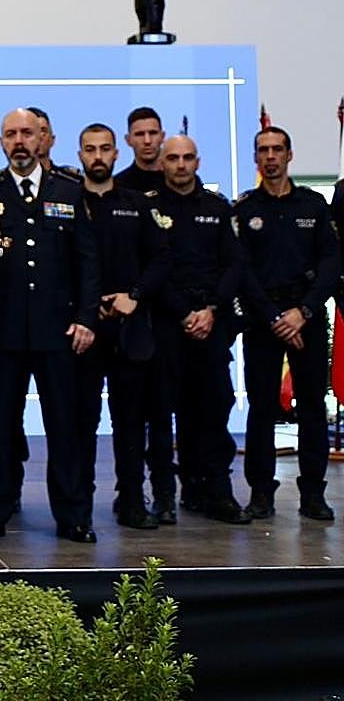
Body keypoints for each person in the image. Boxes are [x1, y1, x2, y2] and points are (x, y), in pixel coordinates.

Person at [0, 108, 99, 544]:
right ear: (1, 142)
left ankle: (73, 516)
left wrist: (86, 318)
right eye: (11, 134)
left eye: (27, 133)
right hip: (2, 330)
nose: (19, 141)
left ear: (43, 139)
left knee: (65, 427)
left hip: (59, 332)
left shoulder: (69, 191)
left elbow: (88, 262)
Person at [71, 123, 171, 530]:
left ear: (116, 153)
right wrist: (83, 308)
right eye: (90, 149)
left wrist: (135, 295)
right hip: (84, 329)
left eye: (105, 148)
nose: (98, 156)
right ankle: (78, 508)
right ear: (80, 155)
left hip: (130, 327)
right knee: (81, 421)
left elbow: (161, 259)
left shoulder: (138, 204)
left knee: (130, 421)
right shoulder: (67, 202)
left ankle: (132, 501)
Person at [235, 126, 338, 521]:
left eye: (277, 149)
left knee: (311, 406)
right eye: (263, 150)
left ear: (289, 155)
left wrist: (303, 311)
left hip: (306, 316)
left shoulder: (313, 205)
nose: (271, 157)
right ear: (255, 158)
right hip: (263, 319)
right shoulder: (245, 209)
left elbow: (331, 264)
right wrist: (273, 316)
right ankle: (261, 493)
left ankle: (313, 494)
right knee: (261, 407)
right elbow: (241, 270)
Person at [152, 135, 250, 524]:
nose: (181, 164)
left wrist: (211, 309)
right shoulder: (150, 208)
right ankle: (165, 495)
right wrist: (183, 313)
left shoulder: (217, 208)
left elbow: (234, 264)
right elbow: (151, 267)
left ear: (198, 161)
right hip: (168, 322)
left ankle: (216, 491)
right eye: (173, 158)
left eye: (187, 157)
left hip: (212, 321)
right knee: (162, 413)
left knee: (213, 408)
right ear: (162, 162)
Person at [114, 107, 167, 193]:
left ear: (162, 137)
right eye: (139, 134)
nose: (147, 141)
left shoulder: (178, 181)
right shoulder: (117, 187)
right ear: (128, 140)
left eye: (153, 133)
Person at [27, 106, 81, 182]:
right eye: (30, 131)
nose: (38, 136)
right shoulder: (9, 182)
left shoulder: (72, 180)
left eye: (43, 131)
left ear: (52, 140)